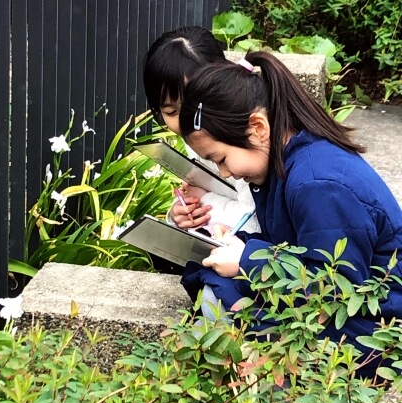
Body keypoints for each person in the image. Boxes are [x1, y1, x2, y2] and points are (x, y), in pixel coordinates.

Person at [178, 50, 402, 376]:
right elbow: (295, 246)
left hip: (379, 328)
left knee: (226, 300)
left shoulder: (317, 183)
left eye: (221, 159)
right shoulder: (286, 164)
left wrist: (246, 261)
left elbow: (331, 292)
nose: (224, 173)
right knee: (213, 277)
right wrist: (239, 245)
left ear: (258, 127)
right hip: (350, 305)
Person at [142, 26, 260, 275]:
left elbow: (256, 214)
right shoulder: (196, 133)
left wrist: (206, 200)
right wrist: (181, 214)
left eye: (192, 108)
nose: (186, 123)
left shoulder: (242, 137)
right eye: (172, 112)